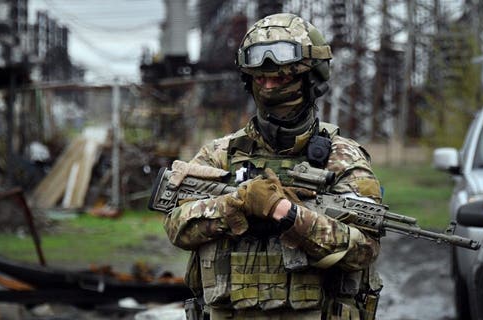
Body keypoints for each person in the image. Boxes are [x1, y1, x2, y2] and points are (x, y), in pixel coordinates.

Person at [163, 13, 383, 320]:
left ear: (310, 79)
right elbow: (177, 227)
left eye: (281, 79)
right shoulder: (220, 154)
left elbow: (364, 248)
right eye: (261, 79)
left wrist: (287, 214)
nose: (269, 87)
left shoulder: (343, 158)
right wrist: (235, 205)